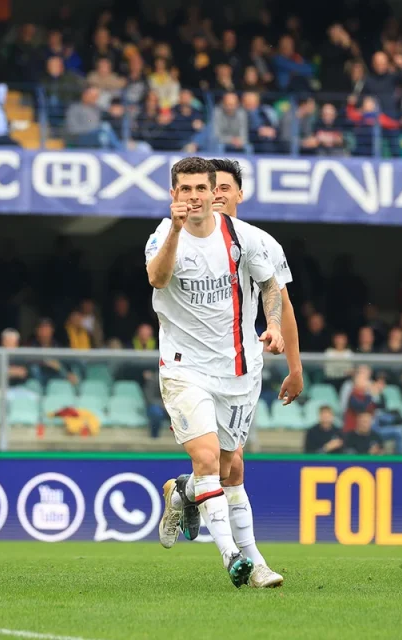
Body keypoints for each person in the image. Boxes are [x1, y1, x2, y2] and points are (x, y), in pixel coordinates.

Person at [163, 158, 301, 589]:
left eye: (222, 188)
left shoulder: (256, 241)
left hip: (240, 368)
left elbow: (278, 298)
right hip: (187, 367)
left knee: (229, 467)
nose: (213, 195)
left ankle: (182, 492)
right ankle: (243, 560)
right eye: (208, 187)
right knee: (210, 462)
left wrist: (293, 364)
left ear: (238, 193)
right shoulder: (171, 235)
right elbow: (157, 279)